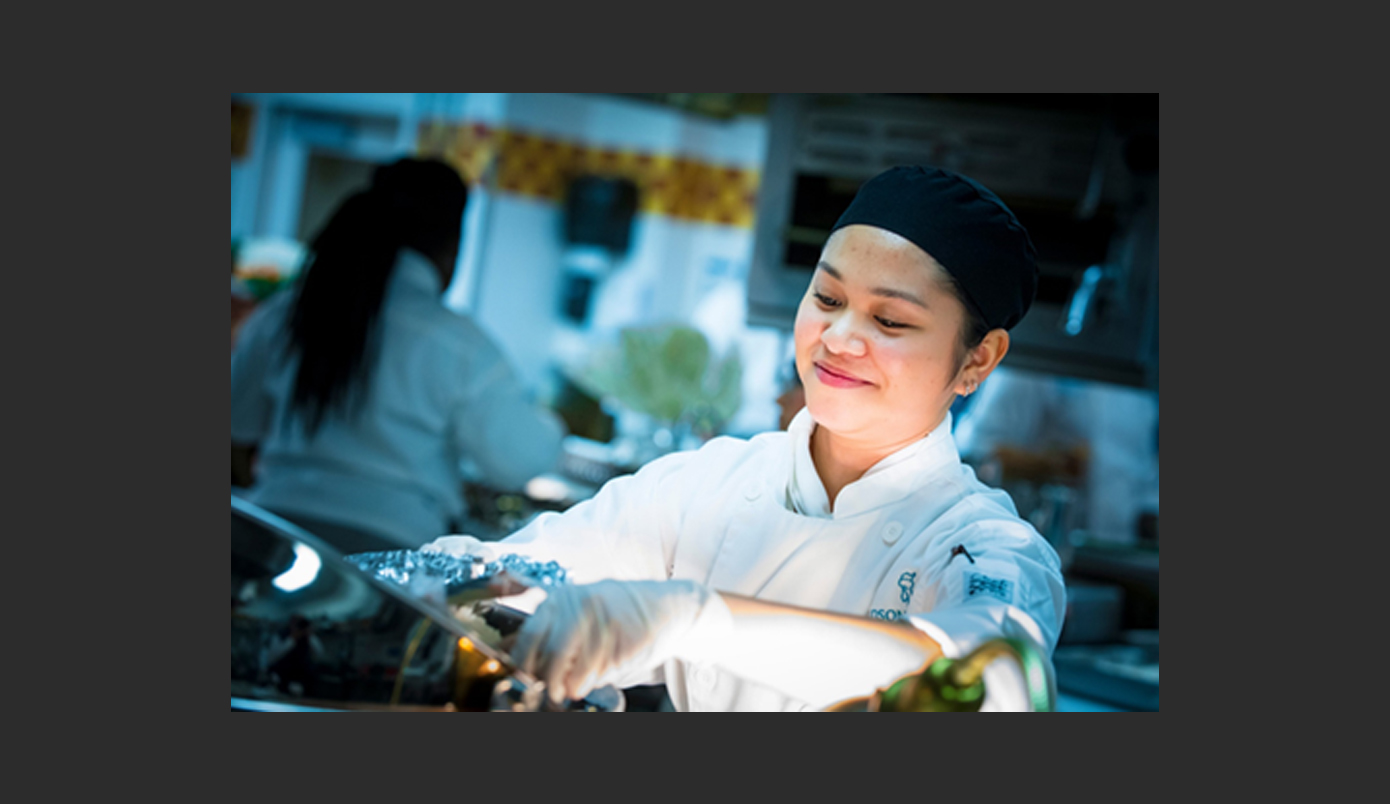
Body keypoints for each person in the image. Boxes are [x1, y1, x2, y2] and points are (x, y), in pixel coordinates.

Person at [428, 165, 1065, 712]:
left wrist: (693, 620)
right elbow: (516, 577)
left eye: (890, 319)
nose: (838, 338)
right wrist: (442, 585)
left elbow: (994, 675)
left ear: (978, 360)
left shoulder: (981, 544)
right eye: (827, 296)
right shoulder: (711, 485)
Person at [232, 158, 566, 554]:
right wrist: (553, 421)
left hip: (270, 537)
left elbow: (238, 422)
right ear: (452, 246)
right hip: (388, 557)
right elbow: (522, 460)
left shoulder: (288, 312)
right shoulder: (457, 342)